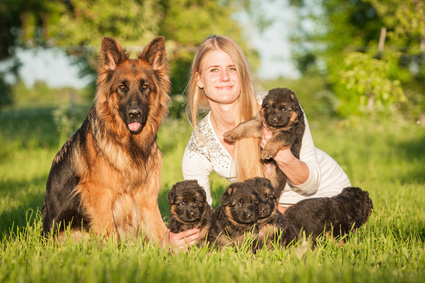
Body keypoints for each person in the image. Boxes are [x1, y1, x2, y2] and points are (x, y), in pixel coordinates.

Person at [163, 35, 351, 250]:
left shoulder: (277, 108)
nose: (224, 77)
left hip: (325, 196)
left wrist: (284, 157)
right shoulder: (200, 143)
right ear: (199, 79)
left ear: (242, 75)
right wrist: (171, 239)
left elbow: (311, 185)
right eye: (214, 70)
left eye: (232, 69)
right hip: (269, 208)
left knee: (272, 236)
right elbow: (201, 213)